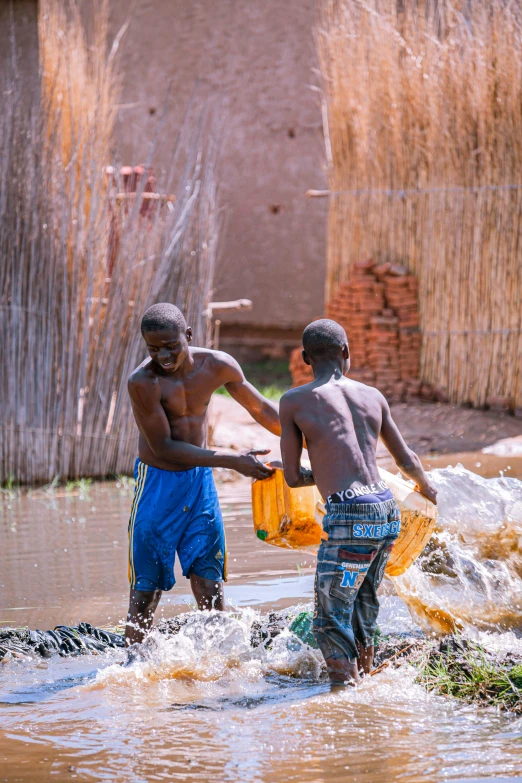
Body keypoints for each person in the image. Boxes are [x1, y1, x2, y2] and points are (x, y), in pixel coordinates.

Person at [279, 319, 437, 685]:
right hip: (385, 510)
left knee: (330, 617)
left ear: (305, 358)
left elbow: (292, 477)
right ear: (346, 353)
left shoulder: (294, 401)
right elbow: (407, 460)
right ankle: (364, 677)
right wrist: (427, 487)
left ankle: (346, 697)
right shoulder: (372, 395)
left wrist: (327, 472)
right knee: (364, 604)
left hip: (349, 515)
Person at [125, 302, 280, 646]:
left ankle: (219, 668)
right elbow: (163, 447)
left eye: (171, 346)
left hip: (200, 484)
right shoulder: (143, 382)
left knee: (210, 585)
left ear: (189, 335)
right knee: (145, 593)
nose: (163, 356)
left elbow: (262, 409)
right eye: (154, 349)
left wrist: (306, 436)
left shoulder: (218, 365)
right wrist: (232, 460)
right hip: (158, 484)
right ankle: (134, 673)